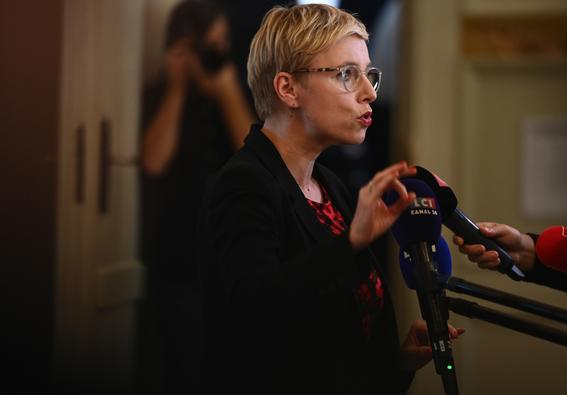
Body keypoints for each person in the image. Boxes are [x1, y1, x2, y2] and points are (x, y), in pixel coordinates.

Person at [197, 4, 463, 394]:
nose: (370, 93)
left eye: (369, 75)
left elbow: (331, 343)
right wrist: (351, 243)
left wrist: (393, 362)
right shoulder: (244, 185)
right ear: (288, 89)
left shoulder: (331, 186)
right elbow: (255, 315)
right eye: (346, 75)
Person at [138, 1, 254, 394]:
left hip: (234, 262)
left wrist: (227, 95)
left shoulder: (236, 91)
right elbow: (153, 162)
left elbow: (257, 162)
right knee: (183, 371)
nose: (218, 54)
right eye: (210, 45)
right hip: (177, 261)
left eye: (223, 43)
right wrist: (177, 89)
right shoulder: (159, 94)